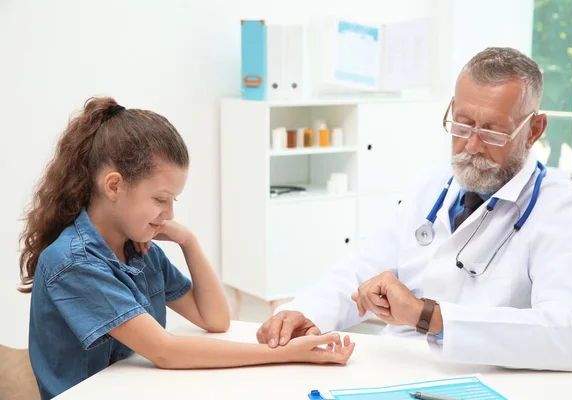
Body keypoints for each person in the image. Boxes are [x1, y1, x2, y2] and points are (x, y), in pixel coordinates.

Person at [257, 47, 572, 372]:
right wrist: (306, 312)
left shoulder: (561, 207)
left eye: (493, 132)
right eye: (462, 124)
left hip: (493, 378)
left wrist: (429, 316)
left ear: (533, 130)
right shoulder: (433, 186)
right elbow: (361, 271)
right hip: (401, 364)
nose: (472, 145)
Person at [20, 97, 355, 399]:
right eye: (160, 199)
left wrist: (188, 241)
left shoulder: (139, 251)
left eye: (173, 200)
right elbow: (166, 351)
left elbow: (215, 319)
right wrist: (285, 354)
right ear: (114, 186)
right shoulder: (75, 262)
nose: (170, 213)